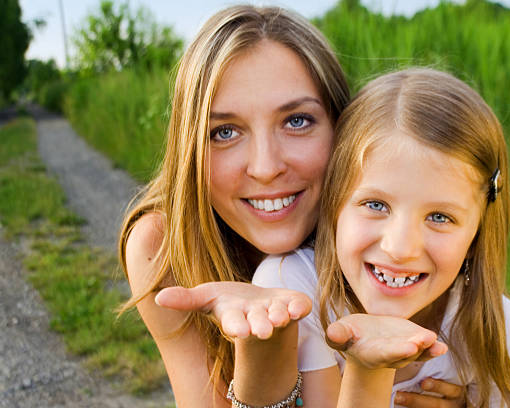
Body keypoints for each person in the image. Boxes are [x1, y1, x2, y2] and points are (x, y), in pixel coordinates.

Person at [121, 5, 464, 407]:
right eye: (225, 132)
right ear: (190, 148)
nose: (266, 168)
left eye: (297, 121)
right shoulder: (163, 246)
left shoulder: (392, 238)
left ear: (344, 127)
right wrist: (263, 352)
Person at [248, 68, 510, 407]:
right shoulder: (294, 290)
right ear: (334, 203)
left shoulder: (500, 332)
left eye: (440, 217)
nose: (400, 249)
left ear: (477, 234)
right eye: (376, 204)